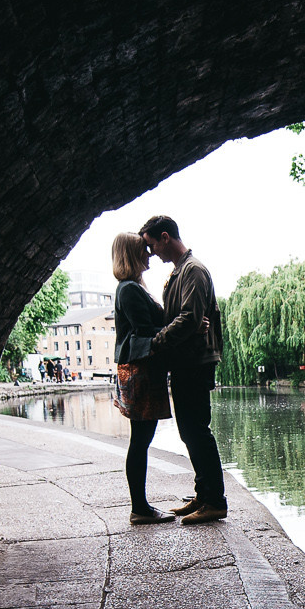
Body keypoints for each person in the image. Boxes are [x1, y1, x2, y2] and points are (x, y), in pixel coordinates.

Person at [142, 214, 227, 523]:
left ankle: (215, 500)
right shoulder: (181, 271)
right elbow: (186, 318)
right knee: (189, 432)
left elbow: (190, 317)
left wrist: (155, 342)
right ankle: (204, 495)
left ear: (166, 237)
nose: (152, 253)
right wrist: (184, 325)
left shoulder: (193, 270)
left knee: (197, 431)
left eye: (152, 245)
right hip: (185, 361)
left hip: (195, 362)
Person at [108, 232, 174, 525]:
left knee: (141, 440)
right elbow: (146, 330)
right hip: (139, 371)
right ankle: (140, 508)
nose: (149, 255)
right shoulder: (130, 290)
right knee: (140, 441)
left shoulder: (130, 287)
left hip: (138, 369)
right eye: (144, 251)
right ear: (132, 255)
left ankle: (141, 506)